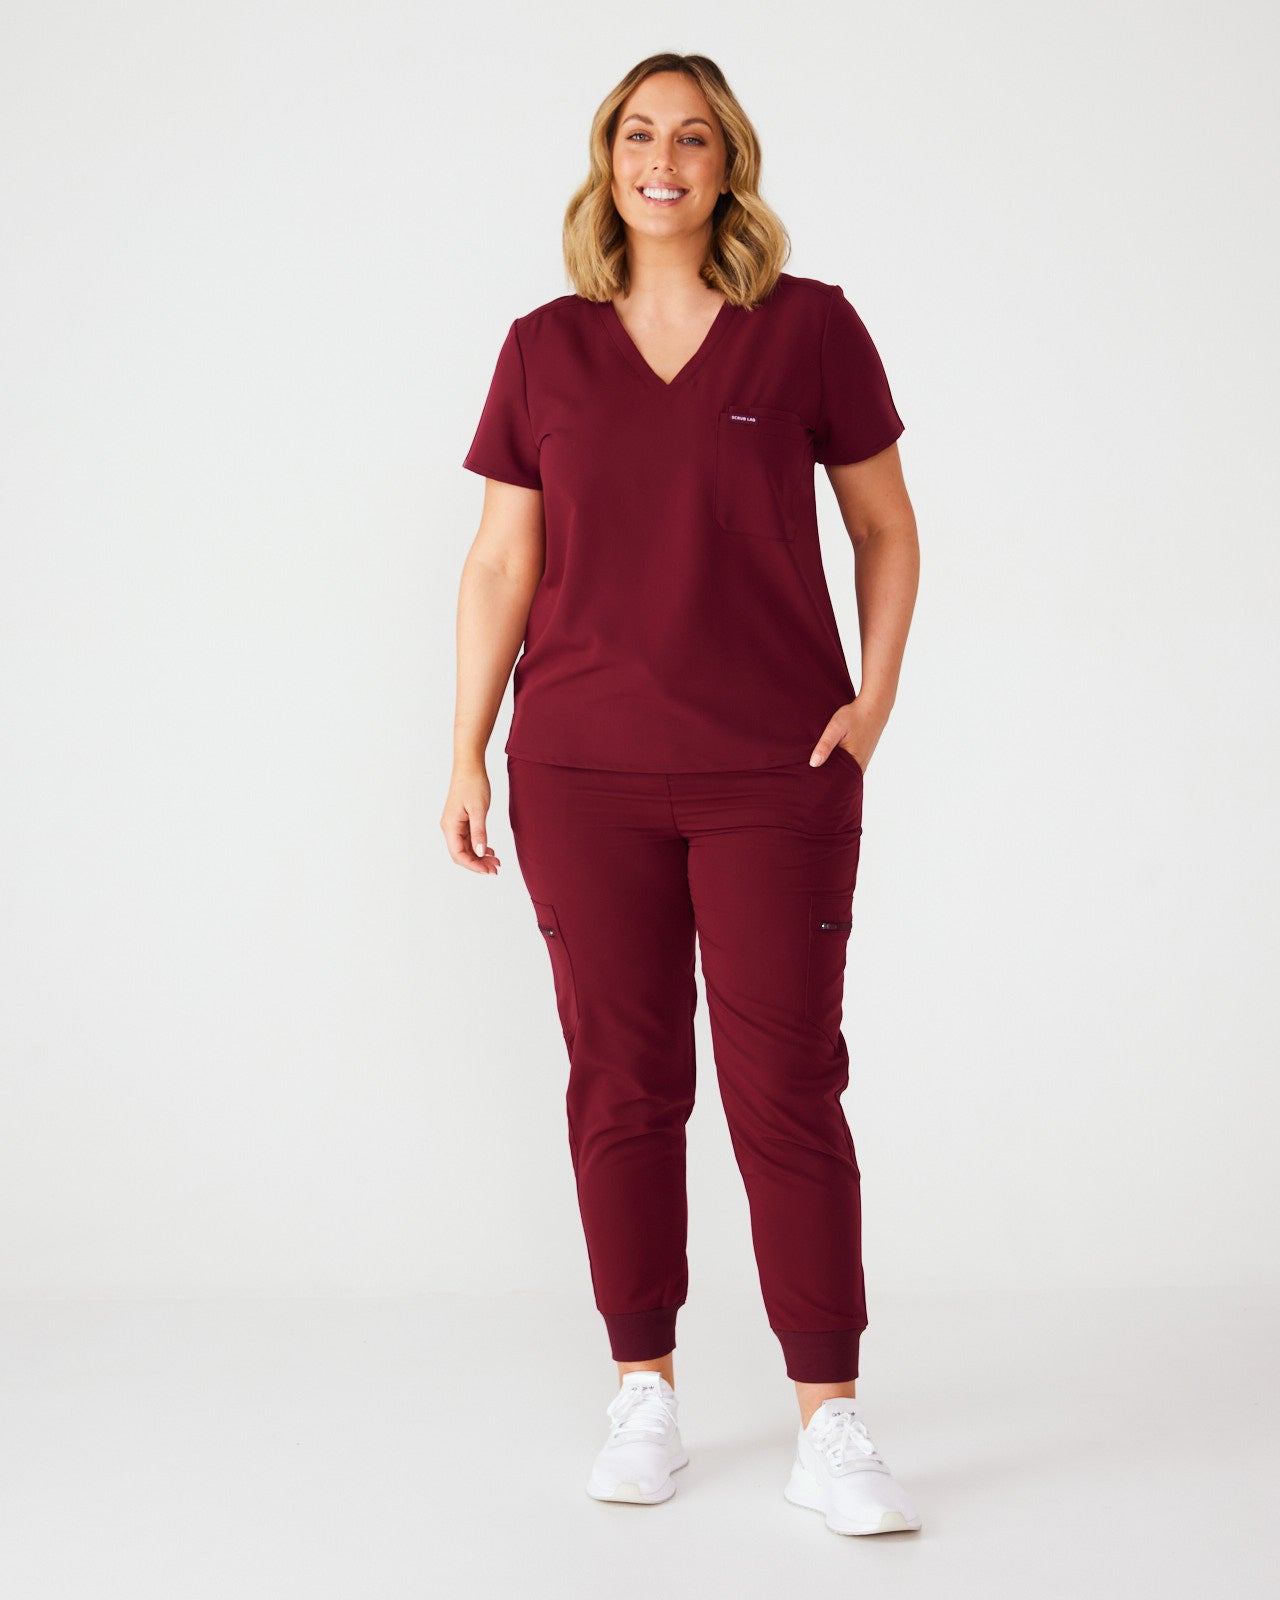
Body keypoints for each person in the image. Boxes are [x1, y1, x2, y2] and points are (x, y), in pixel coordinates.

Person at [443, 51, 922, 1538]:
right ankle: (642, 1389)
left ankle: (830, 1420)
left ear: (729, 164)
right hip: (579, 772)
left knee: (789, 1087)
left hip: (775, 771)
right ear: (609, 159)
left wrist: (872, 700)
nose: (664, 160)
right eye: (640, 135)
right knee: (625, 1082)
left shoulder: (811, 329)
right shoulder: (544, 348)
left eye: (693, 138)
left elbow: (887, 529)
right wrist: (464, 747)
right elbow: (502, 560)